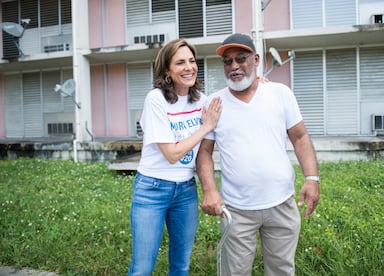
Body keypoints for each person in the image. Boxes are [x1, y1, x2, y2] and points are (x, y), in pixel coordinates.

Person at [196, 33, 320, 276]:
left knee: (282, 270)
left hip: (281, 203)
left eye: (240, 59)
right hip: (237, 208)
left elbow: (300, 137)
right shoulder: (214, 103)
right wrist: (210, 189)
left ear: (256, 59)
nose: (234, 66)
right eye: (227, 61)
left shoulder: (280, 93)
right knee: (235, 272)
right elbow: (205, 153)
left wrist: (312, 178)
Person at [128, 38, 222, 276]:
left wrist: (259, 83)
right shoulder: (156, 99)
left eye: (192, 61)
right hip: (152, 189)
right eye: (180, 62)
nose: (189, 67)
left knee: (181, 265)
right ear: (167, 70)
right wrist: (204, 127)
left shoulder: (202, 100)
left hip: (185, 190)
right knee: (142, 268)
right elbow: (171, 154)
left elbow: (232, 96)